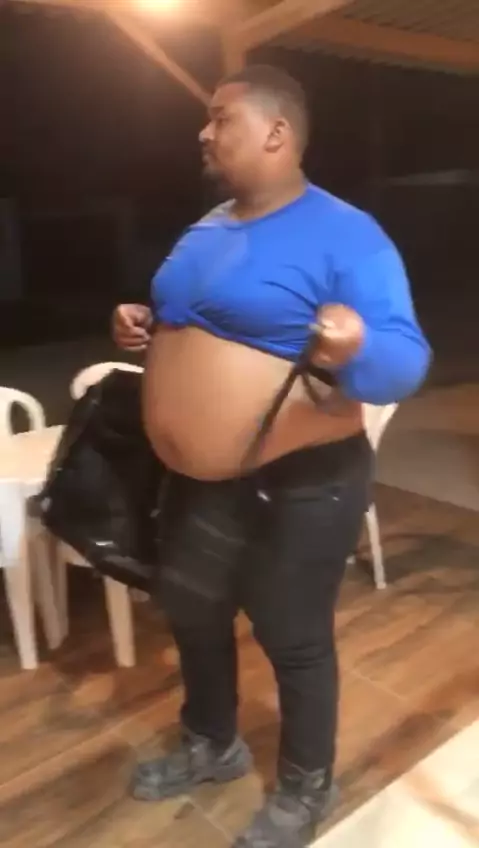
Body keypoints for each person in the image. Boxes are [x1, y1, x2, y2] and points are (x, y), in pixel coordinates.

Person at [112, 65, 431, 848]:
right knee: (193, 611)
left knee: (293, 635)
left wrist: (356, 344)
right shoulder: (207, 227)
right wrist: (141, 326)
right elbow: (187, 319)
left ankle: (303, 787)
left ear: (276, 133)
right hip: (198, 480)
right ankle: (211, 743)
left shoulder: (347, 234)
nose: (204, 131)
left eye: (221, 117)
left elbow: (404, 361)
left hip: (302, 481)